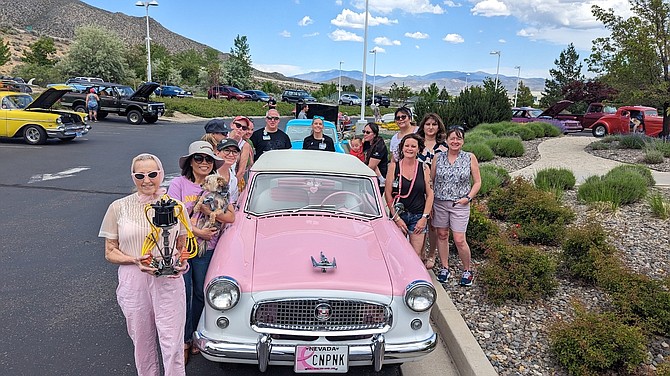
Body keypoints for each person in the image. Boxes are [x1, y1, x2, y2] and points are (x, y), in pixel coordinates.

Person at [99, 153, 190, 376]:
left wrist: (180, 263)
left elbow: (182, 247)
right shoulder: (118, 207)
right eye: (140, 175)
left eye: (152, 174)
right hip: (134, 279)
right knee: (141, 339)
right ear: (133, 177)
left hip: (168, 280)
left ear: (161, 174)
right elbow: (110, 252)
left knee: (172, 340)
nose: (146, 180)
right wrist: (134, 260)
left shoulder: (176, 208)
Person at [166, 141, 233, 364]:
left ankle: (195, 335)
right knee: (182, 294)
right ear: (190, 162)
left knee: (201, 294)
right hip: (182, 247)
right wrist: (197, 231)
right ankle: (183, 340)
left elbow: (231, 216)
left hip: (208, 248)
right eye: (199, 159)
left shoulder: (220, 187)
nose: (204, 163)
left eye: (208, 160)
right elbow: (173, 215)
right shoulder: (178, 184)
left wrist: (207, 211)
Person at [431, 126, 481, 286]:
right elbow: (431, 181)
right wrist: (429, 203)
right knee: (442, 234)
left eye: (458, 138)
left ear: (463, 141)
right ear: (446, 140)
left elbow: (478, 182)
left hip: (460, 204)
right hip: (440, 203)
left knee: (459, 239)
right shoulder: (438, 157)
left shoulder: (469, 157)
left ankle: (467, 269)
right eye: (452, 138)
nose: (455, 141)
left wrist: (468, 197)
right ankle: (445, 267)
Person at [385, 134, 434, 258]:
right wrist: (396, 218)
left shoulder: (424, 167)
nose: (409, 149)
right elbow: (388, 193)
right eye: (407, 146)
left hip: (417, 216)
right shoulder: (393, 167)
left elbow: (430, 194)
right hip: (398, 214)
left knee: (415, 256)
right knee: (396, 254)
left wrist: (424, 218)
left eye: (413, 146)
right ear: (402, 148)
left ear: (418, 149)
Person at [416, 113, 448, 269]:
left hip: (437, 191)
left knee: (434, 224)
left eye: (434, 124)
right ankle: (420, 253)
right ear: (423, 126)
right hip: (417, 190)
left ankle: (431, 254)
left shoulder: (444, 147)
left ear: (438, 127)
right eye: (427, 124)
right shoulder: (415, 143)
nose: (430, 127)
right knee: (419, 222)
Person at [229, 116, 255, 191]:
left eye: (244, 128)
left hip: (235, 180)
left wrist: (232, 186)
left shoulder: (245, 146)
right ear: (232, 125)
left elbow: (241, 171)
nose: (240, 129)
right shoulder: (223, 139)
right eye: (238, 125)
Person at [362, 122, 389, 188]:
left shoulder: (379, 146)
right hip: (368, 176)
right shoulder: (367, 143)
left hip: (377, 180)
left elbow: (372, 166)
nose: (365, 134)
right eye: (364, 131)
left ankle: (382, 180)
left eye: (368, 132)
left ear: (374, 134)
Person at [216, 138, 241, 204]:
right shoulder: (209, 174)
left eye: (235, 152)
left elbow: (232, 203)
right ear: (217, 153)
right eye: (227, 150)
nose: (231, 155)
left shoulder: (234, 179)